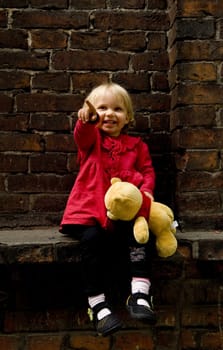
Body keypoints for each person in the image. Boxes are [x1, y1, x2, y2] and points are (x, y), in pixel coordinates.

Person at [60, 82, 156, 336]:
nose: (110, 114)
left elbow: (147, 171)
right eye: (102, 108)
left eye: (117, 109)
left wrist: (146, 192)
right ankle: (97, 303)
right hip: (88, 213)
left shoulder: (137, 147)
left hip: (125, 215)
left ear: (128, 118)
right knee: (92, 241)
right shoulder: (92, 141)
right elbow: (82, 134)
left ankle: (139, 293)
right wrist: (86, 121)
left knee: (141, 237)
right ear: (93, 113)